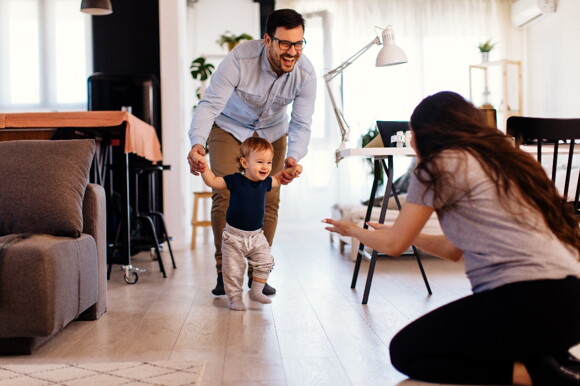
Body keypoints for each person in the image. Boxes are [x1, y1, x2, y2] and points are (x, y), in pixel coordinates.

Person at [324, 91, 580, 385]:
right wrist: (414, 236)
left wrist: (353, 231)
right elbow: (453, 250)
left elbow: (394, 246)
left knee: (406, 352)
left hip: (525, 302)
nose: (410, 140)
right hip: (570, 303)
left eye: (412, 133)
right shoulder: (508, 161)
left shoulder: (437, 165)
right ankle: (556, 364)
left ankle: (532, 374)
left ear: (426, 134)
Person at [187, 8, 316, 297]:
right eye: (284, 44)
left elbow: (302, 122)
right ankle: (225, 272)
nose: (292, 52)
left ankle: (259, 273)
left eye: (298, 44)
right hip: (229, 127)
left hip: (273, 132)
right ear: (267, 39)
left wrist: (294, 156)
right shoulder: (240, 59)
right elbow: (209, 105)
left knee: (269, 197)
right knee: (224, 192)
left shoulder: (305, 73)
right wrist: (198, 142)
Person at [192, 137, 302, 311]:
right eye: (259, 162)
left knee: (266, 262)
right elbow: (213, 181)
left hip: (256, 236)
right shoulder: (235, 180)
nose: (265, 167)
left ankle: (256, 290)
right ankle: (235, 299)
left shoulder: (265, 183)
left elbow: (280, 177)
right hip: (234, 237)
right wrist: (204, 168)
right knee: (233, 272)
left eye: (269, 162)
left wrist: (294, 169)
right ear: (244, 162)